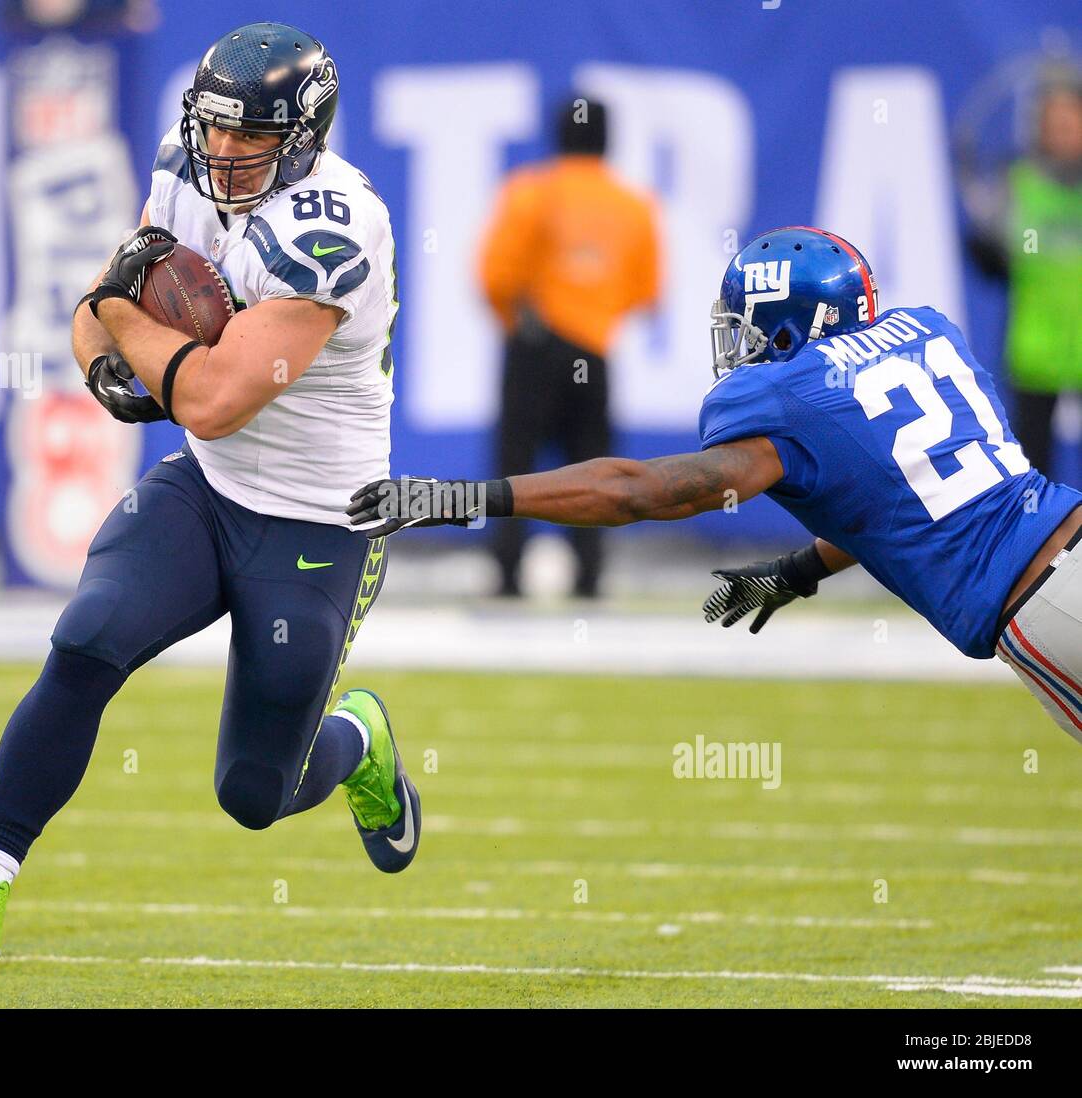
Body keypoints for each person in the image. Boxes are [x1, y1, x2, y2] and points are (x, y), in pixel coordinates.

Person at [0, 22, 419, 976]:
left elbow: (214, 398)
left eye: (249, 135)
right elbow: (95, 306)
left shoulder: (338, 230)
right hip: (206, 492)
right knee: (88, 635)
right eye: (213, 128)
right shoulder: (183, 166)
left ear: (304, 137)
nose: (222, 152)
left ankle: (361, 738)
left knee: (256, 793)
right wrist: (121, 348)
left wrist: (135, 335)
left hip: (319, 518)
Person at [350, 226, 1082, 743]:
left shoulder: (791, 397)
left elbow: (643, 490)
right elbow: (914, 496)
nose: (740, 344)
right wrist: (798, 569)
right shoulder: (926, 330)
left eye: (749, 327)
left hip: (1041, 605)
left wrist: (468, 498)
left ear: (793, 329)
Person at [477, 96, 663, 597]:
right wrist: (595, 313)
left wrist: (523, 322)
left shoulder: (529, 192)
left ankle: (507, 576)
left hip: (533, 343)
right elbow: (647, 291)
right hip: (593, 350)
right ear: (608, 139)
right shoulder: (635, 204)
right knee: (593, 467)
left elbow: (494, 276)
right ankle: (589, 578)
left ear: (557, 134)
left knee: (515, 464)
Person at [965, 77, 1082, 481]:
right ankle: (1044, 544)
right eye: (1053, 123)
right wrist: (984, 246)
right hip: (1035, 349)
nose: (1062, 131)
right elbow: (993, 261)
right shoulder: (1019, 184)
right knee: (1034, 469)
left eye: (1070, 121)